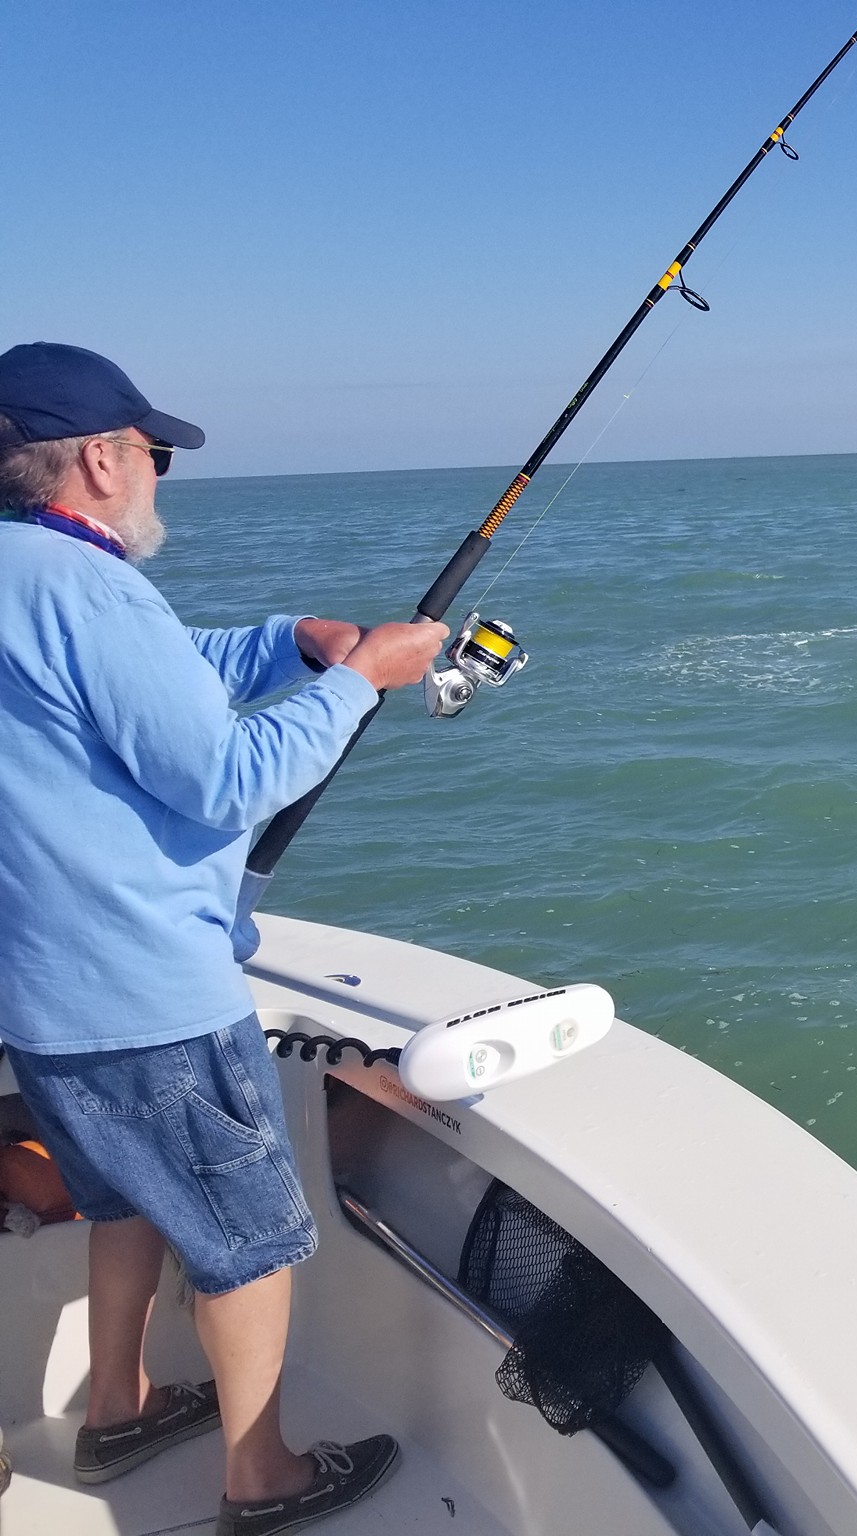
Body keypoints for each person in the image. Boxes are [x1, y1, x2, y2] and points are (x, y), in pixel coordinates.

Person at [0, 343, 448, 1535]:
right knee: (246, 1243)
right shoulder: (87, 586)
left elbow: (138, 682)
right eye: (153, 456)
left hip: (46, 994)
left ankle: (118, 1407)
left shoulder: (22, 576)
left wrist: (283, 641)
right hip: (148, 998)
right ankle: (262, 1476)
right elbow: (222, 776)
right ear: (98, 460)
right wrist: (366, 679)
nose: (156, 477)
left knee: (122, 1200)